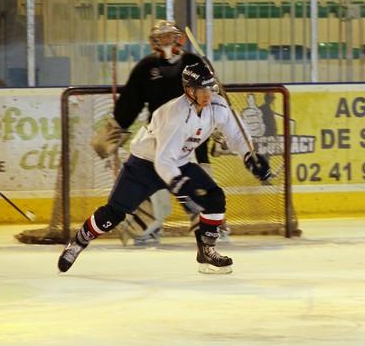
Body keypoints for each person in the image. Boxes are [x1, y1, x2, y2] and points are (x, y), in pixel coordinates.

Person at [58, 62, 272, 274]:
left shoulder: (218, 106)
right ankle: (78, 243)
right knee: (113, 214)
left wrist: (249, 155)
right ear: (189, 90)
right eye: (201, 89)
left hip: (179, 162)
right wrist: (178, 183)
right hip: (144, 164)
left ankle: (207, 250)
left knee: (215, 198)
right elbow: (163, 159)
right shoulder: (174, 114)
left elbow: (235, 135)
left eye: (209, 88)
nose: (207, 94)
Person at [90, 20, 211, 245]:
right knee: (152, 179)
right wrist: (116, 128)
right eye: (161, 37)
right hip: (159, 138)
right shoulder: (146, 68)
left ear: (178, 39)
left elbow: (211, 98)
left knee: (196, 184)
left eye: (169, 36)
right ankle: (146, 223)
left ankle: (207, 224)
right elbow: (130, 102)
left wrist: (219, 128)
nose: (165, 42)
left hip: (192, 137)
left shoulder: (193, 63)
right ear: (154, 42)